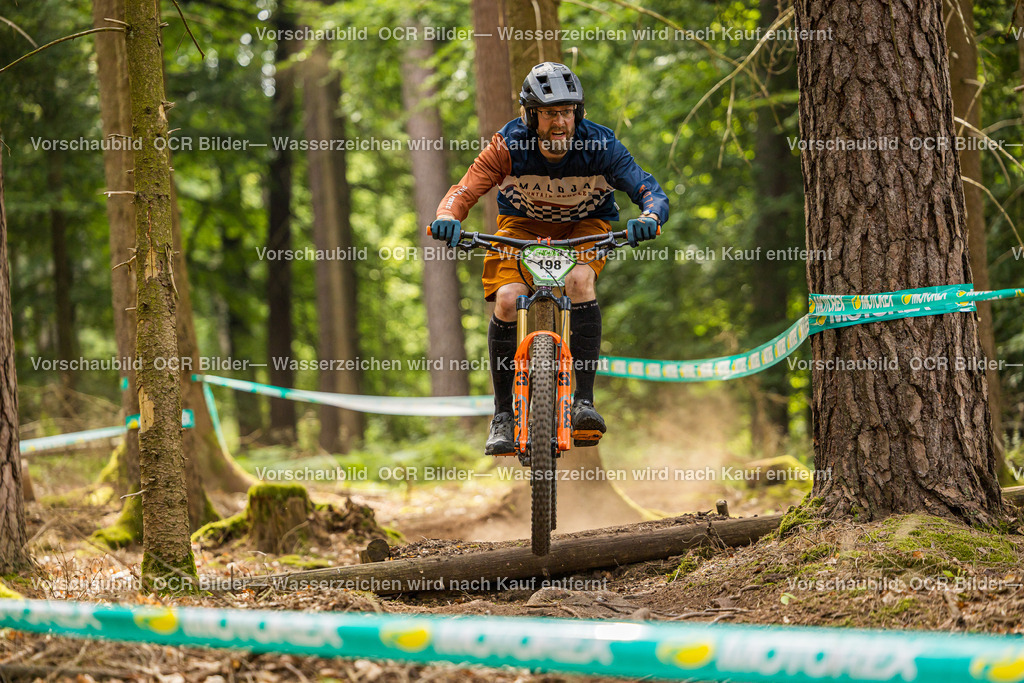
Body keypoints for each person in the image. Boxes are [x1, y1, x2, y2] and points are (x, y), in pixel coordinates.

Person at [430, 62, 669, 456]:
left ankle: (584, 403)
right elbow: (464, 190)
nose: (560, 122)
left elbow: (649, 190)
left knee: (579, 282)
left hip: (585, 227)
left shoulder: (601, 146)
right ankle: (503, 416)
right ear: (530, 116)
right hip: (521, 228)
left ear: (579, 112)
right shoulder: (508, 145)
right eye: (549, 113)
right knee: (507, 300)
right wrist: (446, 218)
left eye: (567, 111)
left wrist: (649, 217)